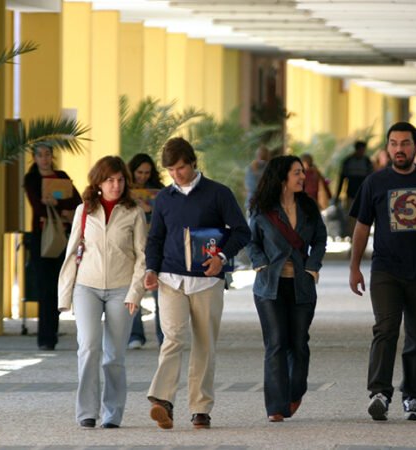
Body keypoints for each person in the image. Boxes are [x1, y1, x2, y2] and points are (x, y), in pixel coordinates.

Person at [348, 122, 416, 422]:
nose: (399, 149)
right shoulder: (375, 182)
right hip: (385, 269)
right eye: (394, 143)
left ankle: (413, 397)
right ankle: (379, 394)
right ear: (387, 149)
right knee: (385, 329)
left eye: (405, 143)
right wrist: (355, 267)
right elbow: (361, 226)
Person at [144, 137, 251, 430]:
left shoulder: (218, 194)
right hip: (170, 279)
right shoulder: (164, 198)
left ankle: (200, 408)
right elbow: (155, 238)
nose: (176, 175)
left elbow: (242, 232)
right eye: (170, 170)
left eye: (180, 168)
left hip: (207, 282)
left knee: (204, 345)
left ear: (193, 162)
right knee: (173, 338)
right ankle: (162, 400)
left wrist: (222, 257)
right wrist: (151, 269)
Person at [57, 156, 147, 429]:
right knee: (88, 347)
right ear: (98, 182)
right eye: (110, 180)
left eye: (120, 180)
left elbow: (142, 256)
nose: (115, 185)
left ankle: (112, 413)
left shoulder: (134, 212)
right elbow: (73, 253)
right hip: (87, 287)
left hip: (122, 290)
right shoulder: (84, 211)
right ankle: (86, 412)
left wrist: (135, 293)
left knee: (114, 355)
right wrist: (65, 295)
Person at [246, 155, 328, 422]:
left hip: (301, 285)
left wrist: (312, 268)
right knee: (276, 342)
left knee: (299, 342)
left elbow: (320, 237)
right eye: (297, 173)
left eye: (302, 172)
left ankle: (295, 390)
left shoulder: (308, 207)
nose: (302, 177)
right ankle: (275, 407)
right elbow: (251, 241)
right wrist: (260, 265)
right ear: (282, 177)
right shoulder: (261, 208)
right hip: (269, 287)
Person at [24, 144, 82, 350]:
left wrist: (56, 204)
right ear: (34, 158)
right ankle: (45, 338)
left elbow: (77, 201)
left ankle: (53, 333)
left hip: (62, 236)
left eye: (48, 154)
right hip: (42, 238)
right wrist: (62, 206)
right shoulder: (31, 179)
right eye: (40, 155)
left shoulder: (61, 175)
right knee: (44, 287)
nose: (44, 159)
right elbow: (38, 206)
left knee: (60, 286)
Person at [126, 153, 165, 350]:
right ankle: (135, 334)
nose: (142, 176)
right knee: (134, 290)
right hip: (131, 246)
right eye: (139, 172)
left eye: (146, 173)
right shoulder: (123, 189)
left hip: (155, 245)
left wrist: (149, 208)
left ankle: (163, 335)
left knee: (160, 293)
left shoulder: (161, 191)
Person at [337, 140, 374, 236]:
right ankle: (352, 238)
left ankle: (360, 237)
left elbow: (371, 179)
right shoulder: (348, 161)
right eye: (361, 150)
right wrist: (337, 195)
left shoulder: (366, 161)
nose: (362, 152)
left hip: (364, 195)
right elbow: (342, 178)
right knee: (351, 218)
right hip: (351, 194)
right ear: (357, 149)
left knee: (363, 217)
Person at [245, 146, 270, 212]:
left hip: (253, 203)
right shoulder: (272, 167)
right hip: (267, 203)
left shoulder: (252, 167)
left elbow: (250, 186)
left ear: (257, 155)